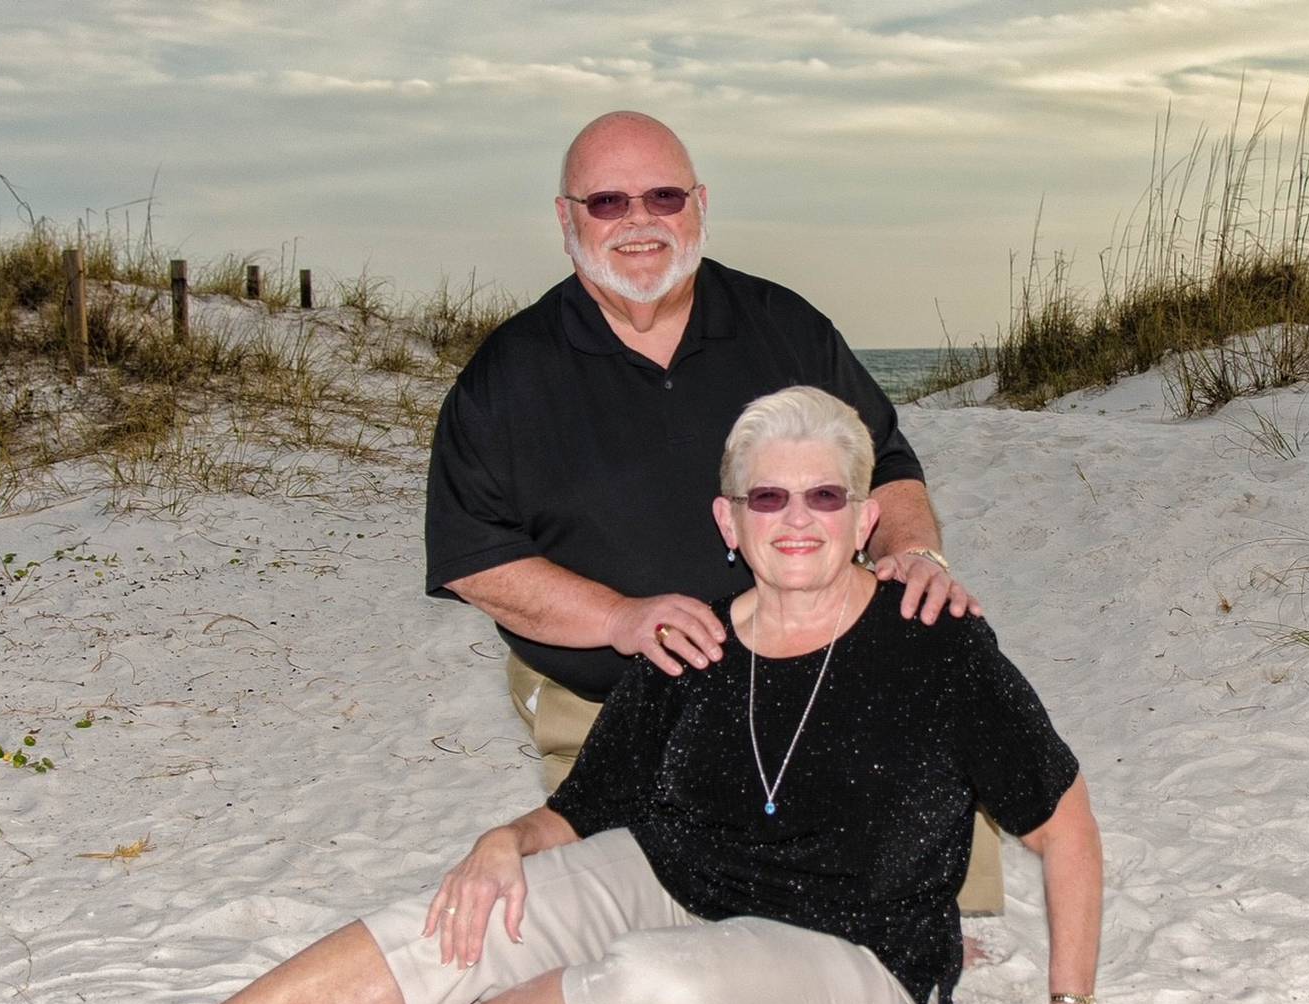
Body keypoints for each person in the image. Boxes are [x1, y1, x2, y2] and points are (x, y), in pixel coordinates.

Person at [2, 388, 1161, 1004]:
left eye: (827, 495)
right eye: (770, 496)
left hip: (857, 957)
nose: (797, 518)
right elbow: (591, 803)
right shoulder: (690, 642)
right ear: (729, 522)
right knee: (460, 917)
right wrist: (502, 842)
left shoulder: (933, 640)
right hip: (675, 879)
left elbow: (1066, 829)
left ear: (866, 518)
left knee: (656, 987)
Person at [426, 110, 1006, 912]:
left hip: (804, 672)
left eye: (664, 196)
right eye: (607, 202)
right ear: (566, 218)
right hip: (617, 701)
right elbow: (474, 560)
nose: (639, 221)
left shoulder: (783, 327)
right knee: (645, 905)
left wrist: (914, 555)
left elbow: (888, 462)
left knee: (928, 630)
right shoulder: (507, 376)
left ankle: (937, 901)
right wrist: (619, 617)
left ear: (700, 204)